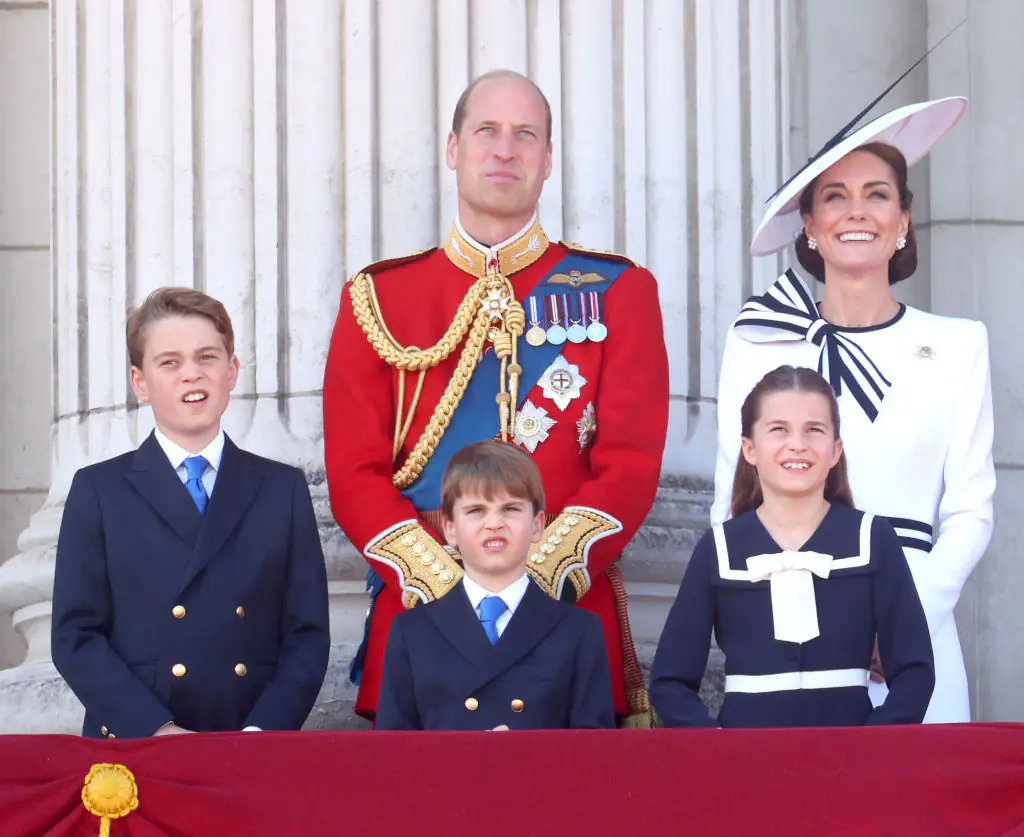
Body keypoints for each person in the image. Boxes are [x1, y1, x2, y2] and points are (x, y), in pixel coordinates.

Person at [323, 69, 669, 724]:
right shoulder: (377, 298)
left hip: (566, 620)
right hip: (420, 622)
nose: (505, 150)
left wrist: (528, 582)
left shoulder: (619, 291)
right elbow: (353, 473)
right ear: (453, 148)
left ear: (546, 160)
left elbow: (628, 467)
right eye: (487, 131)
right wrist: (451, 587)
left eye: (525, 135)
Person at [712, 97, 993, 724]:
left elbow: (971, 511)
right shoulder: (758, 341)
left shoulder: (958, 344)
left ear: (903, 221)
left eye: (877, 194)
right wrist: (760, 617)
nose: (857, 211)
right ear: (808, 223)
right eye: (835, 196)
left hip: (917, 626)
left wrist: (902, 619)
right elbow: (728, 503)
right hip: (786, 622)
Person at [51, 287, 330, 739]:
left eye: (206, 357)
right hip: (136, 744)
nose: (192, 375)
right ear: (140, 382)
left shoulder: (282, 489)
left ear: (232, 370)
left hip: (248, 743)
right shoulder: (99, 490)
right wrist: (155, 731)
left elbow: (307, 634)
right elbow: (75, 636)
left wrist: (263, 732)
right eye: (170, 362)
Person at [653, 366, 934, 728]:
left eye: (814, 430)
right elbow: (670, 681)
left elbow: (915, 670)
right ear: (749, 449)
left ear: (835, 450)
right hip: (747, 765)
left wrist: (875, 745)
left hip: (852, 765)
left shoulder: (872, 538)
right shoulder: (719, 548)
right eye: (779, 430)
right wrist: (716, 746)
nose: (797, 444)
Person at [376, 440, 615, 730]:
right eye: (476, 510)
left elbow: (592, 755)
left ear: (537, 525)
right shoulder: (412, 632)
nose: (494, 523)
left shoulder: (578, 631)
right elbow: (394, 755)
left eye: (511, 509)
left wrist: (519, 756)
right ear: (450, 528)